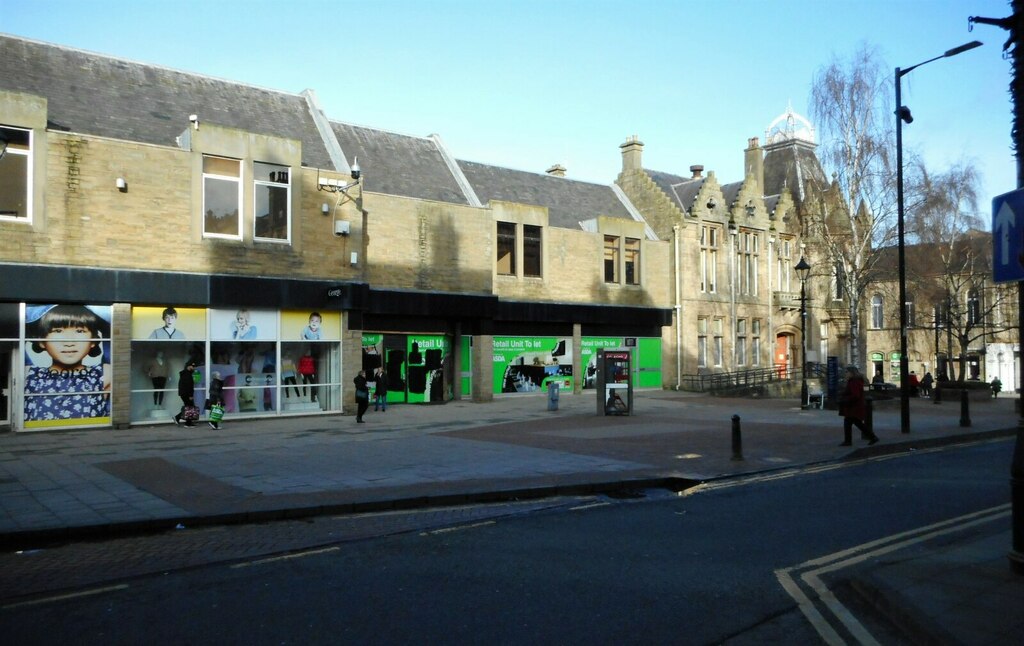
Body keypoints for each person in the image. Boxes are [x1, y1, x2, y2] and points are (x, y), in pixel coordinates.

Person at [24, 305, 111, 422]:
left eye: (80, 331)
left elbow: (111, 319)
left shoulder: (104, 375)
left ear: (93, 341)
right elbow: (14, 321)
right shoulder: (29, 375)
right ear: (41, 341)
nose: (69, 342)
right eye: (58, 331)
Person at [838, 365, 879, 446]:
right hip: (853, 406)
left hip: (854, 406)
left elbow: (855, 395)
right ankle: (871, 437)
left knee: (853, 423)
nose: (846, 374)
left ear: (852, 373)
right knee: (855, 423)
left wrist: (846, 399)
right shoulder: (853, 381)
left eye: (847, 372)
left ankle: (849, 441)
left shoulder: (854, 381)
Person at [173, 360, 197, 427]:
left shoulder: (187, 374)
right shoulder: (186, 374)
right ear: (188, 366)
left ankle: (182, 420)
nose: (194, 368)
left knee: (189, 407)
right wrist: (190, 395)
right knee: (190, 407)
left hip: (184, 394)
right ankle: (187, 423)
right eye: (192, 366)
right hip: (186, 394)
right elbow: (188, 386)